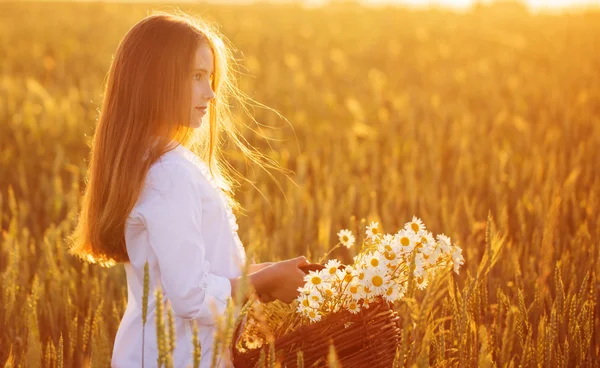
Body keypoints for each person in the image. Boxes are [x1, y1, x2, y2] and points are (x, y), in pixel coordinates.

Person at [67, 11, 309, 368]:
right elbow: (191, 296)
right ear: (154, 81)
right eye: (197, 76)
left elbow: (192, 271)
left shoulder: (154, 162)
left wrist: (268, 273)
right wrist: (266, 280)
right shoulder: (169, 173)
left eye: (210, 78)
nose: (211, 93)